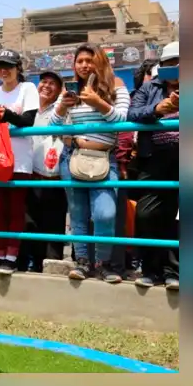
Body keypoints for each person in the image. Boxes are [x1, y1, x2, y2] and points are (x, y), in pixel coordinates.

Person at [50, 44, 131, 283]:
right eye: (80, 61)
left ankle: (104, 263)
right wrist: (63, 105)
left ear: (101, 61)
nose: (84, 65)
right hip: (73, 158)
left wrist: (98, 103)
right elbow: (54, 126)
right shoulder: (71, 89)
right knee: (77, 214)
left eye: (90, 59)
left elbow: (124, 121)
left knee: (106, 213)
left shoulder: (116, 85)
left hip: (105, 159)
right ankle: (83, 262)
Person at [0, 50, 40, 274]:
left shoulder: (28, 89)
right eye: (0, 66)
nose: (4, 70)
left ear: (18, 68)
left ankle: (11, 257)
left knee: (15, 209)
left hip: (20, 159)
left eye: (8, 66)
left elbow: (28, 121)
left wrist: (7, 116)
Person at [128, 41, 180, 290]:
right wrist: (158, 109)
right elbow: (132, 114)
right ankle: (150, 269)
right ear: (163, 67)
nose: (177, 69)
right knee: (147, 213)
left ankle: (174, 272)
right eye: (171, 64)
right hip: (154, 156)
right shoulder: (149, 88)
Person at [22, 70, 68, 271]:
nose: (46, 86)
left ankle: (53, 270)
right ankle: (33, 266)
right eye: (43, 82)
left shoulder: (61, 110)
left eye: (52, 83)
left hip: (55, 178)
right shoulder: (28, 111)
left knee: (54, 226)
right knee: (31, 224)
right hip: (31, 176)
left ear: (59, 90)